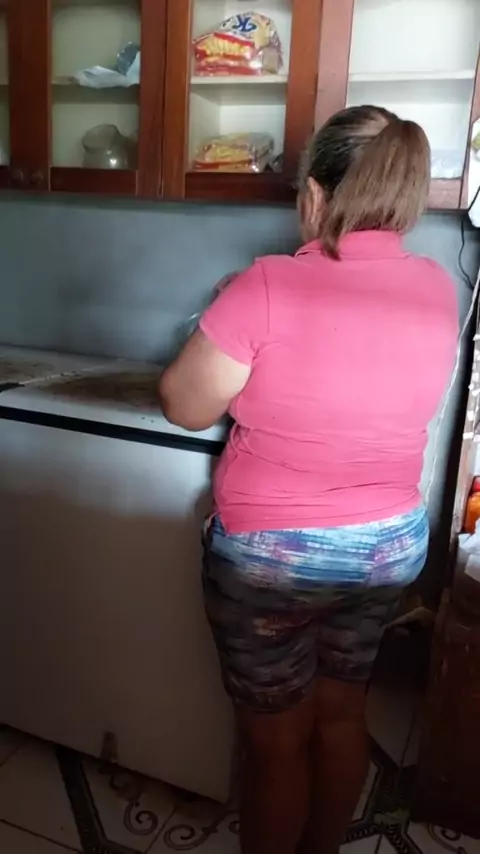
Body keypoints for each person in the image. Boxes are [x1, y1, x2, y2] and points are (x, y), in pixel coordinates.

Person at [158, 105, 458, 854]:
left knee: (276, 744)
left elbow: (185, 406)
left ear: (316, 196)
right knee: (342, 711)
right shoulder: (437, 286)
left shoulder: (267, 284)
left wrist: (232, 307)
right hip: (387, 547)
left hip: (274, 557)